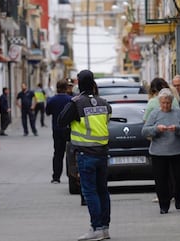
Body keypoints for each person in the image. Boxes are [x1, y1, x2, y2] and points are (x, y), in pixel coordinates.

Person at [58, 70, 112, 241]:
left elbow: (61, 121)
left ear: (79, 84)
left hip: (85, 153)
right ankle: (104, 228)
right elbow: (107, 120)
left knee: (90, 192)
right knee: (103, 190)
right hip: (102, 153)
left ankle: (96, 228)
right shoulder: (104, 102)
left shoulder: (76, 103)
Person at [141, 88, 180, 214]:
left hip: (178, 151)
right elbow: (144, 131)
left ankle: (178, 196)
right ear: (160, 102)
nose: (165, 105)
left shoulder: (178, 113)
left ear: (171, 102)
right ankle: (164, 205)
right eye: (163, 103)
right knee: (161, 180)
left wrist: (178, 129)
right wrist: (157, 129)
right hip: (159, 152)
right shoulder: (154, 114)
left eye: (168, 103)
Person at [46, 79, 72, 184]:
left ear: (57, 88)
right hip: (69, 130)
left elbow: (48, 112)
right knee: (71, 152)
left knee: (58, 153)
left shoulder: (51, 100)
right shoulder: (71, 100)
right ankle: (72, 175)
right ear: (66, 88)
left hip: (56, 130)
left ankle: (56, 177)